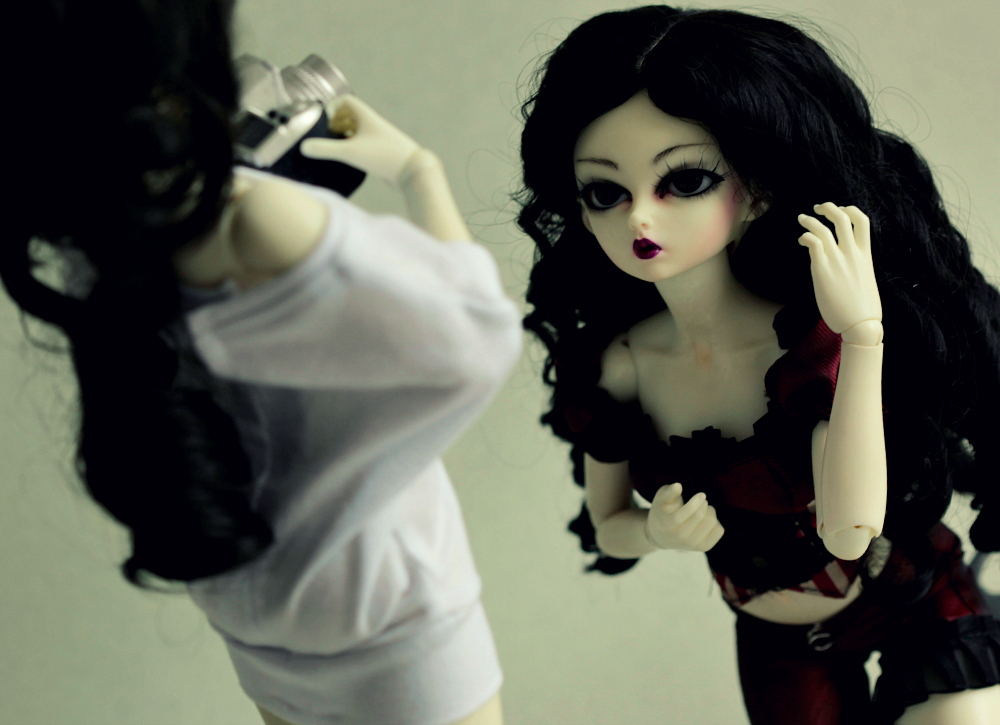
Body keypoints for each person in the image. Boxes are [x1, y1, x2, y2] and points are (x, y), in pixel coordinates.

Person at [8, 2, 519, 724]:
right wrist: (418, 171)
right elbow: (479, 336)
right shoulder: (253, 218)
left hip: (256, 608)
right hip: (383, 617)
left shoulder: (95, 234)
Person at [516, 6, 1000, 724]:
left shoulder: (809, 345)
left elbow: (849, 531)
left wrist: (862, 337)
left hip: (910, 597)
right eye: (605, 192)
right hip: (779, 642)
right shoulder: (619, 367)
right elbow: (608, 522)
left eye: (684, 180)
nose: (640, 218)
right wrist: (654, 532)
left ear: (758, 190)